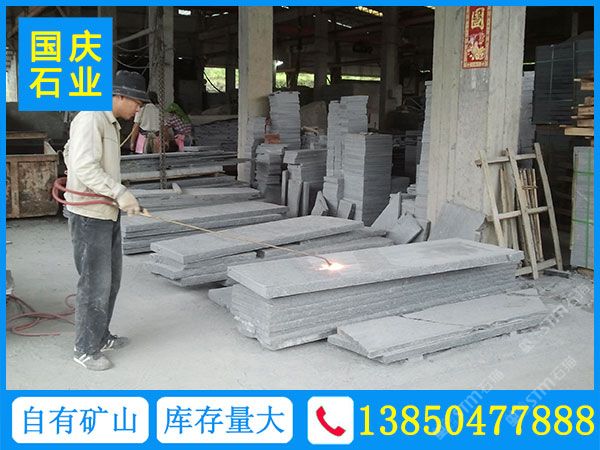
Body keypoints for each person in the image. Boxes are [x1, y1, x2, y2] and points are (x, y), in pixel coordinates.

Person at [63, 70, 149, 371]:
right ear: (119, 96)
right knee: (94, 284)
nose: (137, 110)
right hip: (89, 216)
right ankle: (85, 349)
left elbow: (70, 152)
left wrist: (114, 195)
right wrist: (118, 191)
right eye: (136, 103)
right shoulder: (90, 117)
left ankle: (100, 336)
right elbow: (84, 165)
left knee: (110, 281)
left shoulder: (109, 122)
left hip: (105, 212)